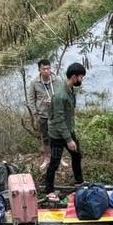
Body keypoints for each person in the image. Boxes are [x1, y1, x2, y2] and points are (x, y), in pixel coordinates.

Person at [44, 63, 87, 204]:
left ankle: (79, 182)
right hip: (58, 134)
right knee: (54, 163)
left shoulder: (69, 89)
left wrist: (70, 135)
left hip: (68, 130)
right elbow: (59, 119)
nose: (82, 80)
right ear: (74, 77)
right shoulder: (61, 94)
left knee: (76, 154)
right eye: (81, 77)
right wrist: (69, 140)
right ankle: (49, 190)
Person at [27, 59, 55, 162]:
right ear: (39, 70)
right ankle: (47, 158)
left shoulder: (57, 80)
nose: (46, 71)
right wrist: (35, 114)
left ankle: (58, 157)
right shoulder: (34, 83)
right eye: (44, 69)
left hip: (56, 114)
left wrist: (54, 101)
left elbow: (62, 96)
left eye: (48, 68)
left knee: (57, 137)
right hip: (43, 115)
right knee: (46, 138)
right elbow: (31, 99)